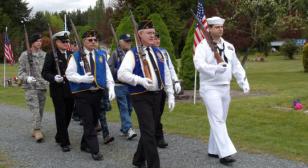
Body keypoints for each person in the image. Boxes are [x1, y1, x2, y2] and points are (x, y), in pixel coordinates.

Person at [118, 20, 175, 168]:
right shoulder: (133, 53)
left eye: (153, 33)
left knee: (149, 129)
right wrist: (140, 80)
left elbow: (166, 74)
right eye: (148, 33)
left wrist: (170, 93)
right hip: (140, 96)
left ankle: (138, 159)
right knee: (150, 132)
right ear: (140, 35)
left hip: (157, 95)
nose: (152, 35)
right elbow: (122, 74)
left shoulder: (158, 52)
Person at [193, 16, 250, 165]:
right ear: (209, 29)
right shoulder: (203, 46)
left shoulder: (229, 46)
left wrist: (243, 81)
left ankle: (213, 149)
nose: (220, 29)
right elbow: (198, 64)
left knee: (220, 120)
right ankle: (225, 153)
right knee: (218, 119)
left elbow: (236, 66)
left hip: (225, 87)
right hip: (209, 87)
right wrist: (214, 69)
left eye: (221, 27)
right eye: (216, 27)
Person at [65, 29, 115, 161]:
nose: (93, 42)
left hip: (97, 92)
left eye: (95, 40)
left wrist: (111, 87)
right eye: (90, 40)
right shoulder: (75, 56)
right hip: (83, 94)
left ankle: (84, 144)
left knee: (92, 121)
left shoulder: (101, 55)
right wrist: (82, 78)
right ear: (83, 42)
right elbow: (69, 74)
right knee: (88, 121)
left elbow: (107, 72)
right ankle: (95, 150)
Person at [41, 31, 74, 152]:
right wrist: (54, 78)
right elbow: (44, 73)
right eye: (63, 41)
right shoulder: (51, 55)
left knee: (68, 115)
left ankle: (59, 135)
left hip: (70, 90)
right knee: (60, 115)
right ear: (56, 42)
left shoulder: (71, 54)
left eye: (67, 41)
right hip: (58, 90)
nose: (66, 43)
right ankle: (64, 142)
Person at [18, 33, 48, 142]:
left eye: (40, 41)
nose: (39, 43)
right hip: (30, 87)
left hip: (42, 86)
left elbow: (46, 71)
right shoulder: (25, 55)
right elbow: (20, 73)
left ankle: (35, 129)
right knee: (35, 109)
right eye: (37, 41)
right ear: (32, 42)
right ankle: (37, 130)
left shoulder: (44, 55)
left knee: (40, 109)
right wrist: (27, 78)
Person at [153, 32, 181, 148]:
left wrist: (176, 81)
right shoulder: (143, 53)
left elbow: (170, 67)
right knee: (153, 114)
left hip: (163, 87)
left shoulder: (163, 52)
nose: (157, 41)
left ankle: (156, 135)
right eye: (154, 39)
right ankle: (158, 137)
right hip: (150, 88)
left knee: (158, 113)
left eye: (158, 39)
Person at [108, 33, 137, 140]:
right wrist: (120, 72)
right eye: (126, 41)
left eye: (130, 41)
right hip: (119, 85)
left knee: (129, 108)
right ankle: (129, 129)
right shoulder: (115, 54)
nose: (129, 43)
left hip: (130, 85)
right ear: (120, 42)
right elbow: (109, 68)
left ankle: (124, 129)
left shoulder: (132, 54)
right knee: (124, 108)